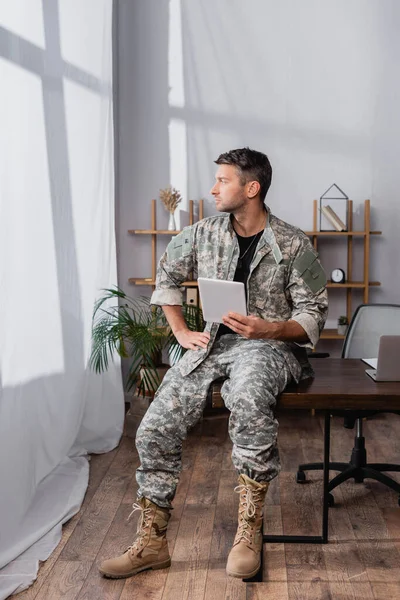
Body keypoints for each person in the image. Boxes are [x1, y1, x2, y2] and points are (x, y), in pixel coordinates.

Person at [99, 147, 328, 580]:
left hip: (268, 347)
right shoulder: (201, 233)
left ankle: (249, 528)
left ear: (252, 188)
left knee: (247, 400)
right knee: (154, 428)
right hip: (209, 344)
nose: (213, 187)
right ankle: (151, 542)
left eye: (223, 180)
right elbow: (165, 277)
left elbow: (313, 312)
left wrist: (271, 329)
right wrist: (182, 333)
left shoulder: (294, 243)